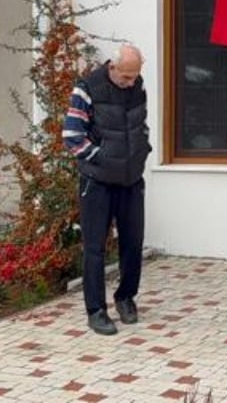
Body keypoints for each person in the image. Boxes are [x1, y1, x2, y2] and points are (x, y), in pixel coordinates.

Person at [63, 44, 151, 336]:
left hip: (131, 181)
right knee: (95, 248)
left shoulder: (137, 86)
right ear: (112, 67)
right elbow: (73, 136)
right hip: (97, 181)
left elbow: (141, 126)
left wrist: (141, 151)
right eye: (125, 76)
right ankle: (96, 310)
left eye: (134, 76)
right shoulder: (87, 88)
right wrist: (102, 159)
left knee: (133, 243)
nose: (130, 83)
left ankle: (126, 298)